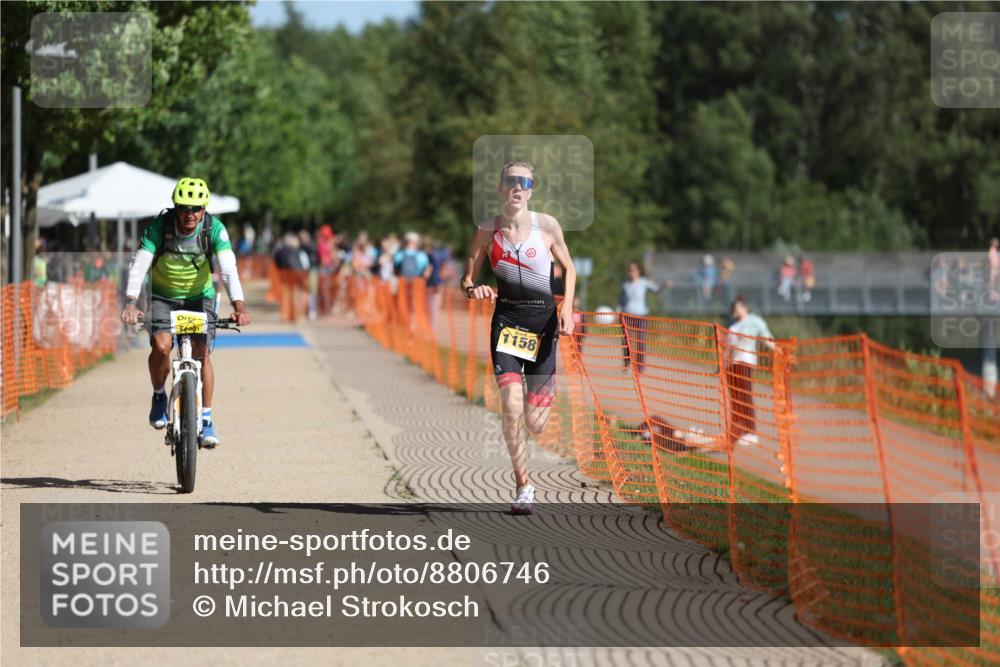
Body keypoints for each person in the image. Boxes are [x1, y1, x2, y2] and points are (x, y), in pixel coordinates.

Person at [460, 160, 576, 515]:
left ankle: (545, 389)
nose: (517, 186)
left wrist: (567, 308)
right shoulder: (486, 230)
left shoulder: (548, 227)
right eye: (511, 180)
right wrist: (474, 289)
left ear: (531, 189)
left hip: (543, 326)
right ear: (500, 187)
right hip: (507, 324)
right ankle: (523, 484)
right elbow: (466, 279)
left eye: (524, 181)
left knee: (535, 424)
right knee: (510, 405)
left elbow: (569, 268)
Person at [121, 177, 252, 448]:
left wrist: (239, 306)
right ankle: (159, 395)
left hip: (199, 298)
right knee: (161, 346)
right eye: (184, 207)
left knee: (202, 355)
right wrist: (131, 302)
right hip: (162, 296)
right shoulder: (160, 227)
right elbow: (139, 265)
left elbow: (228, 268)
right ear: (175, 207)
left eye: (195, 208)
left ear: (204, 209)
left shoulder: (214, 229)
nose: (189, 213)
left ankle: (206, 420)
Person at [724, 296, 775, 447]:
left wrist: (777, 349)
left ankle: (751, 431)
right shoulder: (733, 328)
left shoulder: (754, 321)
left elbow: (765, 335)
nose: (738, 310)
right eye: (736, 308)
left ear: (745, 307)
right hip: (732, 366)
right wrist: (723, 364)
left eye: (740, 306)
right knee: (735, 398)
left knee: (746, 396)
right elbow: (728, 349)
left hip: (746, 362)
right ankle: (737, 429)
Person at [618, 260, 662, 374]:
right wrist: (617, 311)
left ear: (639, 271)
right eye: (629, 270)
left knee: (641, 341)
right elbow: (621, 301)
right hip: (627, 315)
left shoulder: (644, 282)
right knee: (626, 341)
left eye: (633, 270)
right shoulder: (625, 284)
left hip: (642, 316)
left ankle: (640, 367)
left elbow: (657, 290)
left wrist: (665, 285)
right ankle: (627, 365)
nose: (631, 272)